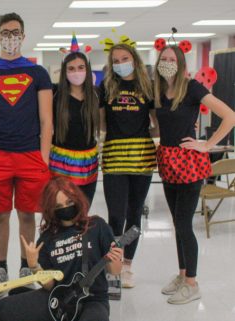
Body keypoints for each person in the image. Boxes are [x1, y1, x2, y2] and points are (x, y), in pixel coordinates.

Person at [0, 12, 53, 285]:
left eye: (15, 32)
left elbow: (46, 119)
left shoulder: (37, 73)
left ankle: (26, 265)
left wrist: (43, 157)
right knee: (0, 214)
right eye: (5, 33)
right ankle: (2, 265)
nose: (11, 38)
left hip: (31, 154)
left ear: (23, 36)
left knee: (28, 213)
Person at [154, 45, 235, 304]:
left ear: (180, 63)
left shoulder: (192, 88)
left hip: (188, 163)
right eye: (163, 59)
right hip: (167, 162)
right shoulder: (160, 91)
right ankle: (182, 274)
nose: (167, 62)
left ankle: (192, 282)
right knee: (177, 223)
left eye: (171, 59)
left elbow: (230, 116)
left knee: (185, 224)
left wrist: (207, 144)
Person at [0, 176, 123, 321]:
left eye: (69, 202)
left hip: (93, 300)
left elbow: (115, 271)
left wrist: (115, 258)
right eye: (59, 206)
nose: (66, 208)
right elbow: (50, 285)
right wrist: (34, 266)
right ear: (51, 210)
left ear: (77, 198)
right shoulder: (47, 238)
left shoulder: (97, 225)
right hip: (59, 298)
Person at [99, 43, 158, 288]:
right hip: (114, 155)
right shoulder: (105, 87)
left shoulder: (147, 87)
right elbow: (102, 124)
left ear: (134, 59)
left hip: (142, 156)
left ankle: (127, 265)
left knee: (134, 213)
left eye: (125, 58)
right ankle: (114, 264)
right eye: (116, 60)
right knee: (116, 215)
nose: (120, 63)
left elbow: (156, 122)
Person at [51, 51, 99, 204]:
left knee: (84, 209)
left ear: (88, 69)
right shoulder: (55, 95)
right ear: (64, 71)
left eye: (80, 67)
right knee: (61, 210)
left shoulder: (96, 95)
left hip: (88, 162)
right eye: (71, 69)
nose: (76, 72)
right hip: (60, 161)